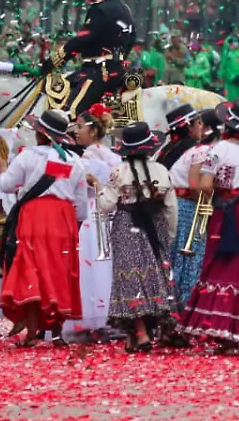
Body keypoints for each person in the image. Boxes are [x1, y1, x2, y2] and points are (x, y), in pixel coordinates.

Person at [179, 99, 239, 353]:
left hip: (229, 209)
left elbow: (204, 186)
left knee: (224, 265)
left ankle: (224, 330)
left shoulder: (220, 149)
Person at [0, 110, 89, 346]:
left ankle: (33, 331)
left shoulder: (27, 157)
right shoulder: (74, 161)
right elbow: (81, 207)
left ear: (40, 133)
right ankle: (56, 333)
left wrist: (2, 166)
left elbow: (6, 185)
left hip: (33, 217)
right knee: (59, 272)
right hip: (63, 220)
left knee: (32, 271)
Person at [96, 123, 179, 353]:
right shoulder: (162, 171)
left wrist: (97, 189)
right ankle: (141, 334)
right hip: (156, 225)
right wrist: (169, 236)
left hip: (127, 226)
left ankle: (140, 334)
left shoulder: (118, 173)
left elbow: (106, 205)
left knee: (131, 278)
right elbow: (171, 208)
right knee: (154, 277)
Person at [49, 0, 136, 117]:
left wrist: (55, 61)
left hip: (98, 72)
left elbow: (82, 39)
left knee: (68, 115)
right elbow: (131, 38)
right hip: (118, 70)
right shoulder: (124, 9)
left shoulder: (100, 9)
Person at [64, 105, 120, 341]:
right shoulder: (115, 155)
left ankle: (95, 315)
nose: (76, 132)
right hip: (111, 211)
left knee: (92, 262)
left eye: (79, 127)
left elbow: (81, 186)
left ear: (94, 131)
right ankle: (110, 314)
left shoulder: (88, 156)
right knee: (107, 262)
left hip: (93, 210)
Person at [158, 104, 209, 307]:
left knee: (172, 255)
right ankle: (184, 304)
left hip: (167, 206)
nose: (201, 128)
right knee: (187, 255)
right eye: (198, 124)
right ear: (189, 127)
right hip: (186, 207)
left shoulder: (166, 149)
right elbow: (196, 185)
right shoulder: (193, 150)